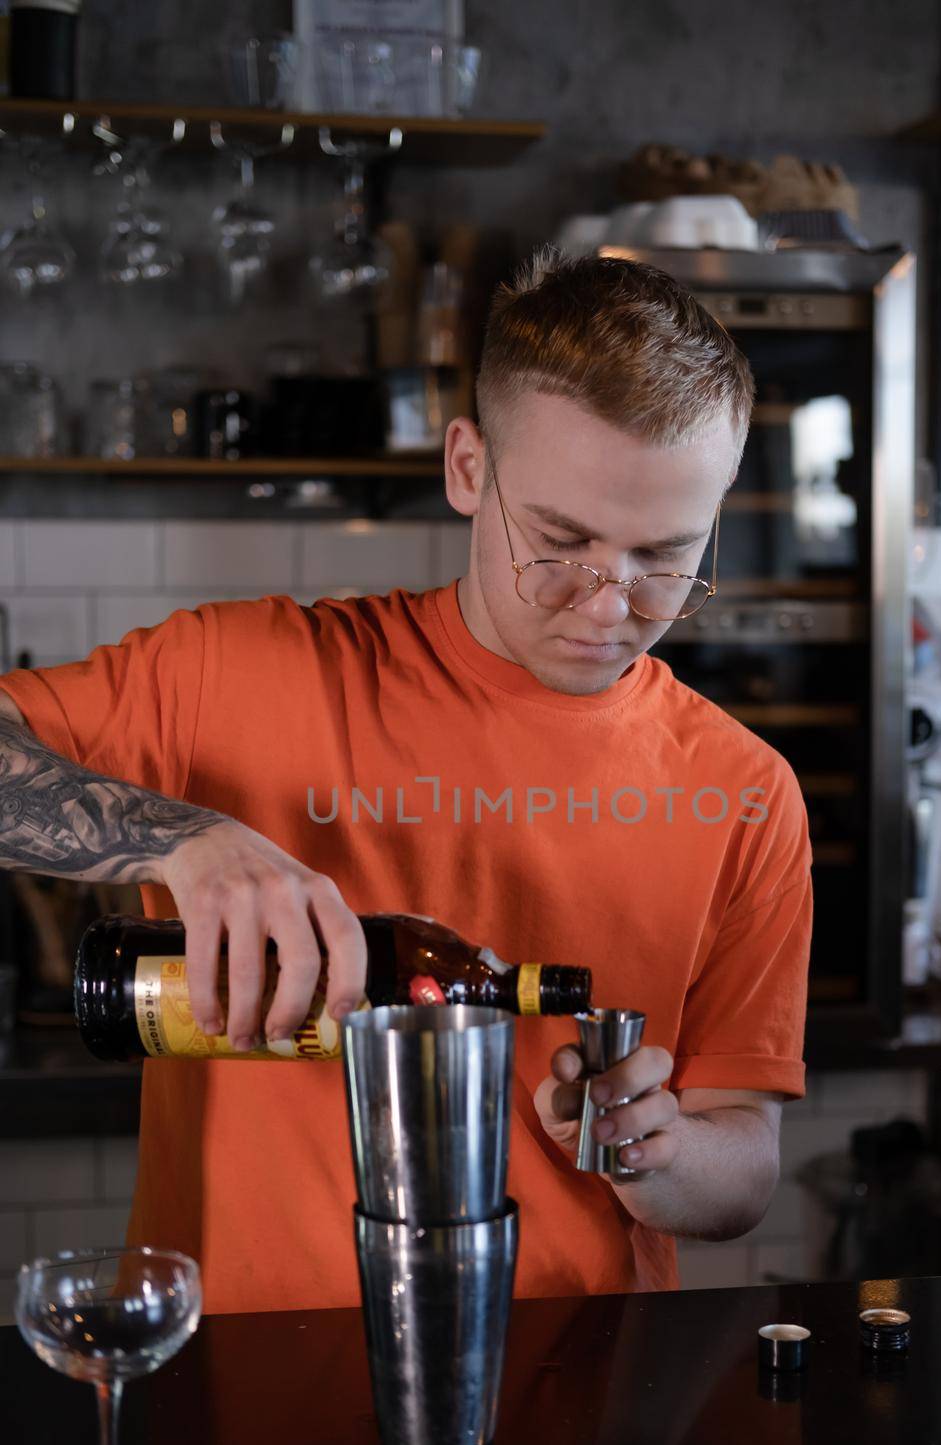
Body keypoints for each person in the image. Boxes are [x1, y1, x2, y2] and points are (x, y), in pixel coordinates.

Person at [0, 247, 812, 1314]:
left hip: (573, 1390)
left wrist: (655, 1153)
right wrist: (176, 837)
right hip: (247, 1383)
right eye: (559, 542)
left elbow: (743, 1164)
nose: (607, 605)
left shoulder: (742, 789)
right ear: (468, 467)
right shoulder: (235, 674)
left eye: (664, 556)